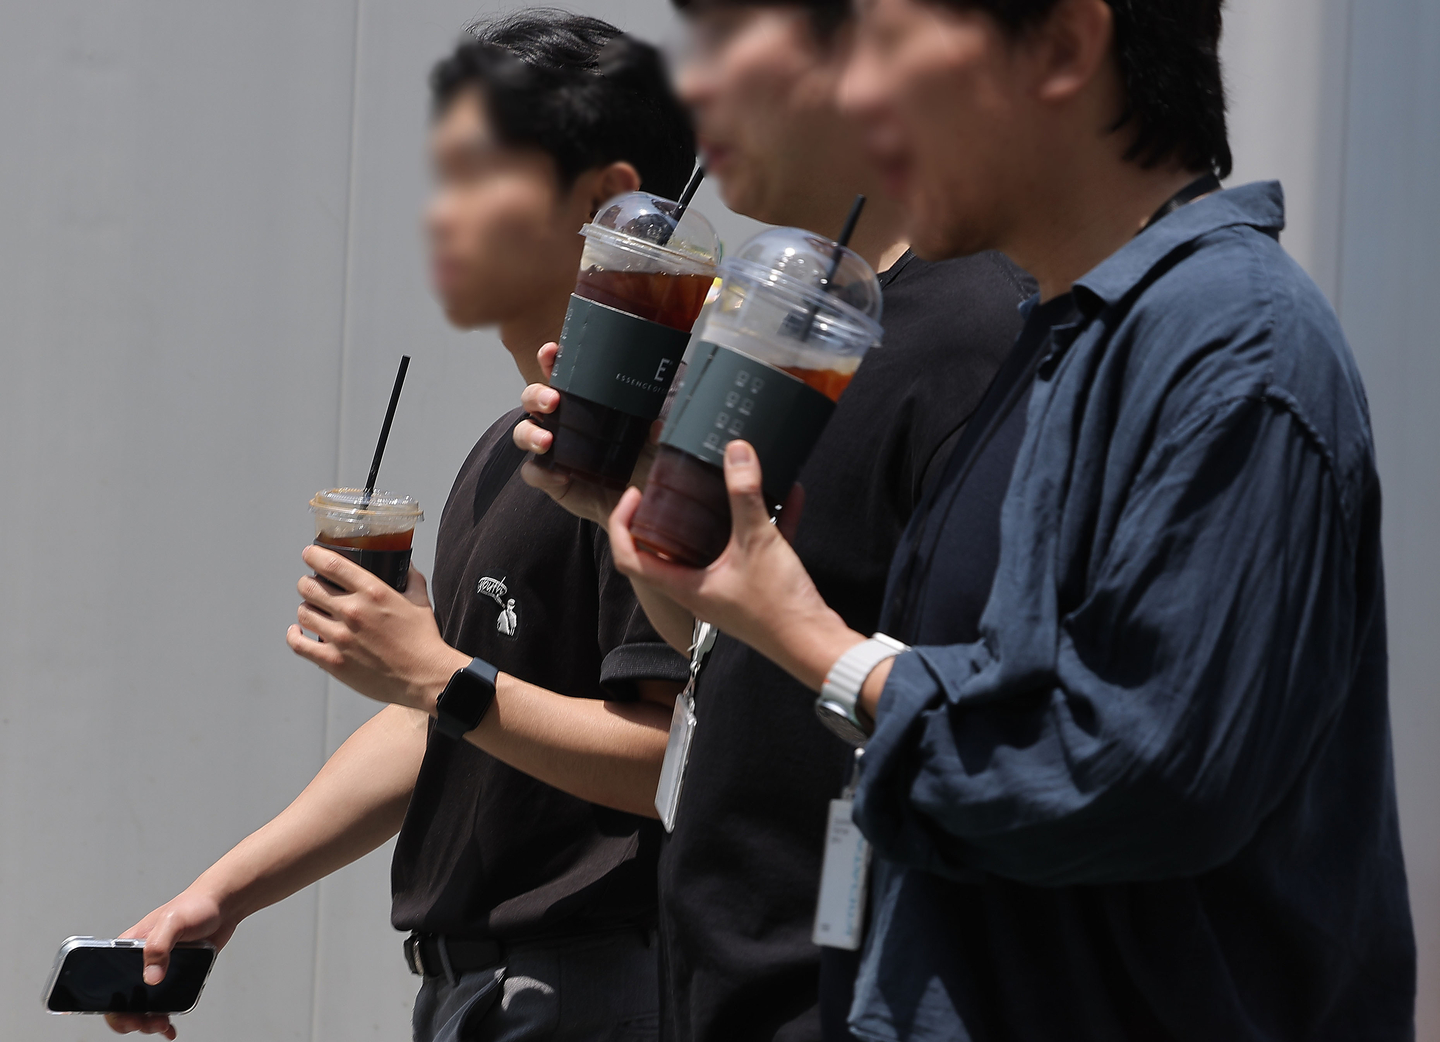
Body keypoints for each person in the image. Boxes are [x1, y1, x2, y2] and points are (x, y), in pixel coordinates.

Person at [601, 0, 1418, 1039]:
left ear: (1068, 42)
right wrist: (750, 608)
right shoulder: (1066, 336)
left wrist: (824, 646)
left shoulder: (1236, 347)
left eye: (890, 44)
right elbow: (1014, 690)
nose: (857, 93)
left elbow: (1132, 771)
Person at [106, 14, 693, 1042]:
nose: (439, 215)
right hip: (484, 993)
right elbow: (449, 719)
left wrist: (432, 674)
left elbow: (674, 756)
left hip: (591, 987)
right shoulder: (512, 445)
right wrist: (225, 893)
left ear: (606, 202)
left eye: (477, 173)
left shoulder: (645, 450)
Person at [512, 1, 1032, 1038]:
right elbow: (717, 643)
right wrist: (626, 507)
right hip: (722, 966)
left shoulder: (982, 334)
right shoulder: (772, 315)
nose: (695, 86)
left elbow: (984, 710)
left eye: (730, 41)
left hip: (848, 980)